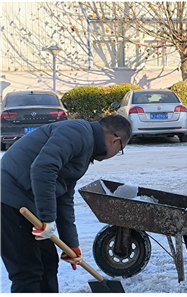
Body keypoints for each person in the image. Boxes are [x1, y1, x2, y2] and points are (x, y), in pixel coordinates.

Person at [1, 114, 132, 293]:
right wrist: (47, 218)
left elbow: (64, 196)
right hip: (9, 200)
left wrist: (71, 244)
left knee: (48, 262)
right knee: (27, 271)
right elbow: (43, 168)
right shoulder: (77, 133)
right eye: (121, 150)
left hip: (29, 203)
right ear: (115, 141)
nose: (117, 153)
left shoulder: (86, 148)